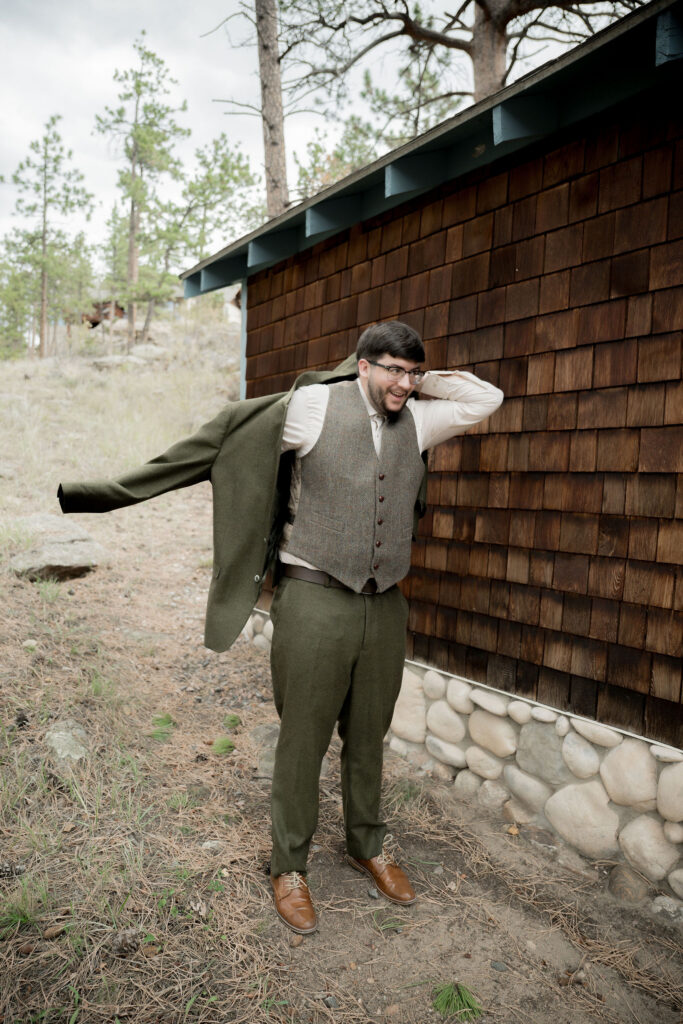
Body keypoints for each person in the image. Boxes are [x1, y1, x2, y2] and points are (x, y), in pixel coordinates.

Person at [58, 320, 503, 936]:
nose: (404, 382)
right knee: (304, 738)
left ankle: (366, 845)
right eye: (392, 369)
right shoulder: (314, 407)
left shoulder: (420, 421)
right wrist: (110, 492)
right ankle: (288, 867)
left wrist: (423, 380)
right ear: (362, 365)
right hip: (314, 598)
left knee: (369, 733)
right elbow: (232, 440)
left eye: (412, 372)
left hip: (385, 603)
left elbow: (487, 399)